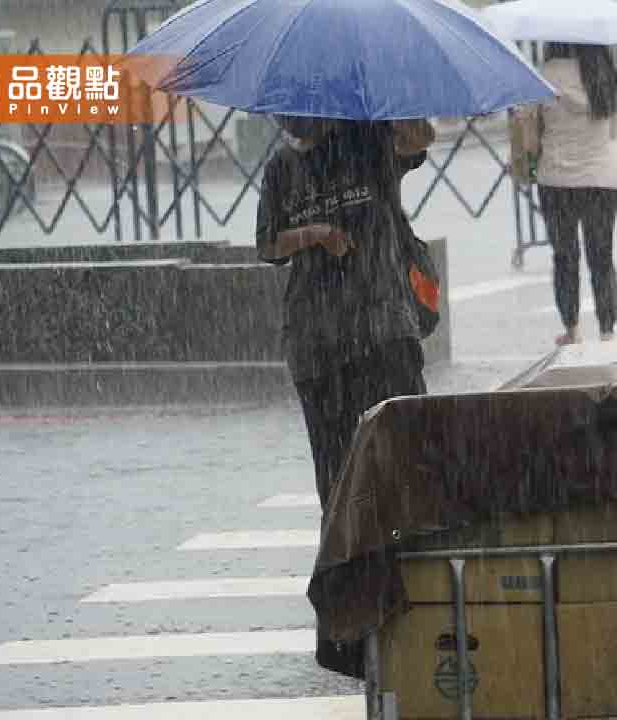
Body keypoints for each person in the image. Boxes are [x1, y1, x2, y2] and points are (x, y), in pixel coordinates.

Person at [255, 115, 435, 672]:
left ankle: (423, 608)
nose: (288, 119)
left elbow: (420, 139)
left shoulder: (366, 140)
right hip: (319, 347)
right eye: (281, 111)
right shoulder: (282, 168)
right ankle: (351, 630)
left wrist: (394, 102)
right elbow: (268, 245)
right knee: (336, 488)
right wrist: (315, 234)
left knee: (407, 467)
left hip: (383, 332)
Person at [535, 42, 617, 345]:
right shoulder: (604, 73)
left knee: (565, 256)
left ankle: (572, 329)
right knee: (601, 256)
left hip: (556, 179)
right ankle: (607, 330)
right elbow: (614, 130)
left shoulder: (544, 74)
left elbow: (527, 129)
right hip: (600, 178)